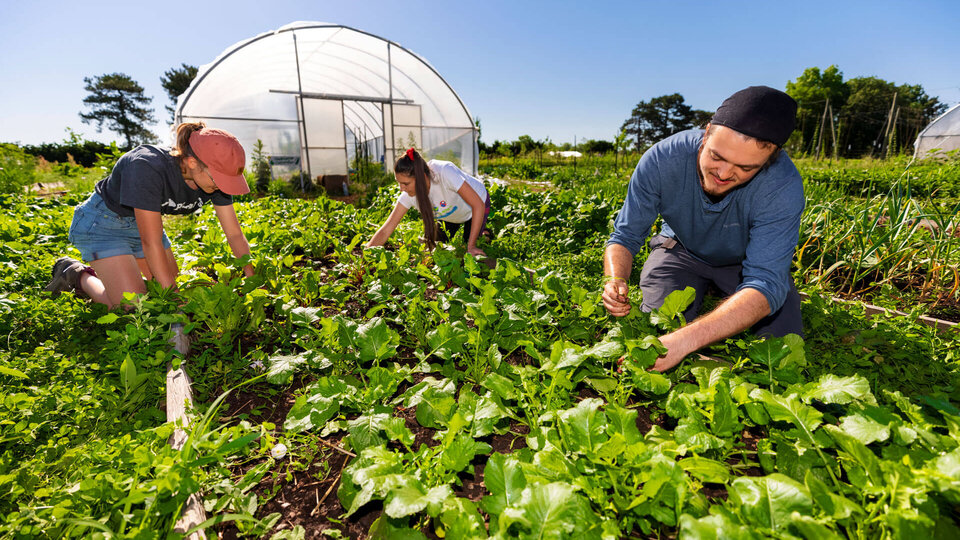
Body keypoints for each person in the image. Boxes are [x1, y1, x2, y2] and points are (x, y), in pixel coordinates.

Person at [603, 86, 804, 372]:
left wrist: (685, 342)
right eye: (716, 156)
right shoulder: (663, 159)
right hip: (680, 250)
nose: (723, 174)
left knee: (783, 352)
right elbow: (624, 236)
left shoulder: (782, 186)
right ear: (707, 132)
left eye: (745, 168)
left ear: (770, 158)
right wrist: (614, 280)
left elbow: (765, 283)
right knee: (656, 325)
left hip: (744, 262)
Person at [44, 122, 255, 308]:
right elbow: (151, 242)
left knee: (167, 284)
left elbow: (235, 234)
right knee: (135, 308)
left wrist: (252, 280)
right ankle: (75, 273)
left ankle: (120, 273)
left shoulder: (215, 182)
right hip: (103, 225)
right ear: (192, 162)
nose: (222, 187)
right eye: (218, 179)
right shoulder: (146, 166)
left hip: (145, 223)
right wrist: (176, 303)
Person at [367, 148, 490, 257]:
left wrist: (471, 246)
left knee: (468, 252)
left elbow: (478, 205)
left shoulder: (444, 172)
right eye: (399, 183)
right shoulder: (409, 195)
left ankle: (486, 233)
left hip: (475, 207)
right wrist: (366, 254)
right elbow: (386, 229)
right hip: (449, 213)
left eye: (405, 183)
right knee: (437, 248)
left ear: (421, 177)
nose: (401, 189)